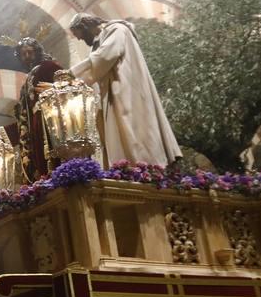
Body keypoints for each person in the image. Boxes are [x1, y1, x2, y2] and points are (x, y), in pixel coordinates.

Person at [68, 12, 182, 167]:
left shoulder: (117, 29)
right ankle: (128, 168)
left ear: (84, 25)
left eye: (78, 34)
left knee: (133, 127)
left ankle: (142, 167)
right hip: (113, 92)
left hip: (126, 88)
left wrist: (71, 75)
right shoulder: (102, 38)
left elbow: (105, 56)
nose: (80, 39)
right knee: (122, 130)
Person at [10, 35, 66, 182]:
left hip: (51, 122)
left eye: (30, 52)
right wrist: (1, 133)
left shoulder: (49, 66)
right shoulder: (28, 79)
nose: (27, 56)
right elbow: (23, 118)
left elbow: (70, 85)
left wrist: (56, 87)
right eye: (23, 54)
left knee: (53, 159)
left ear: (37, 51)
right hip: (35, 129)